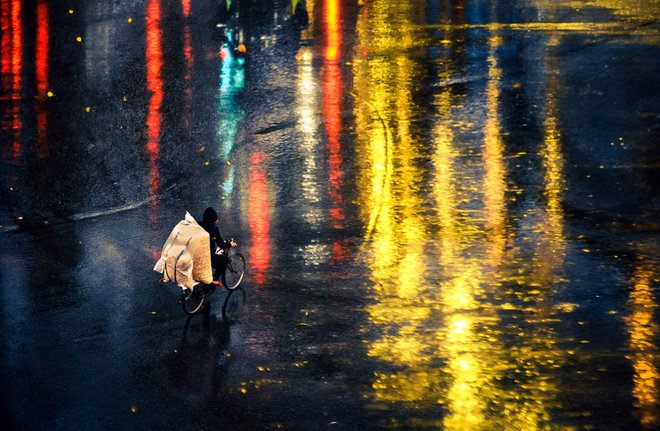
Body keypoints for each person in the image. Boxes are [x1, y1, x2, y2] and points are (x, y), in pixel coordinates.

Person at [198, 207, 236, 281]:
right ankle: (214, 279)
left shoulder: (198, 225)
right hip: (206, 258)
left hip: (194, 256)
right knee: (225, 261)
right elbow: (221, 245)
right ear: (213, 220)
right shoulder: (213, 229)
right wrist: (230, 244)